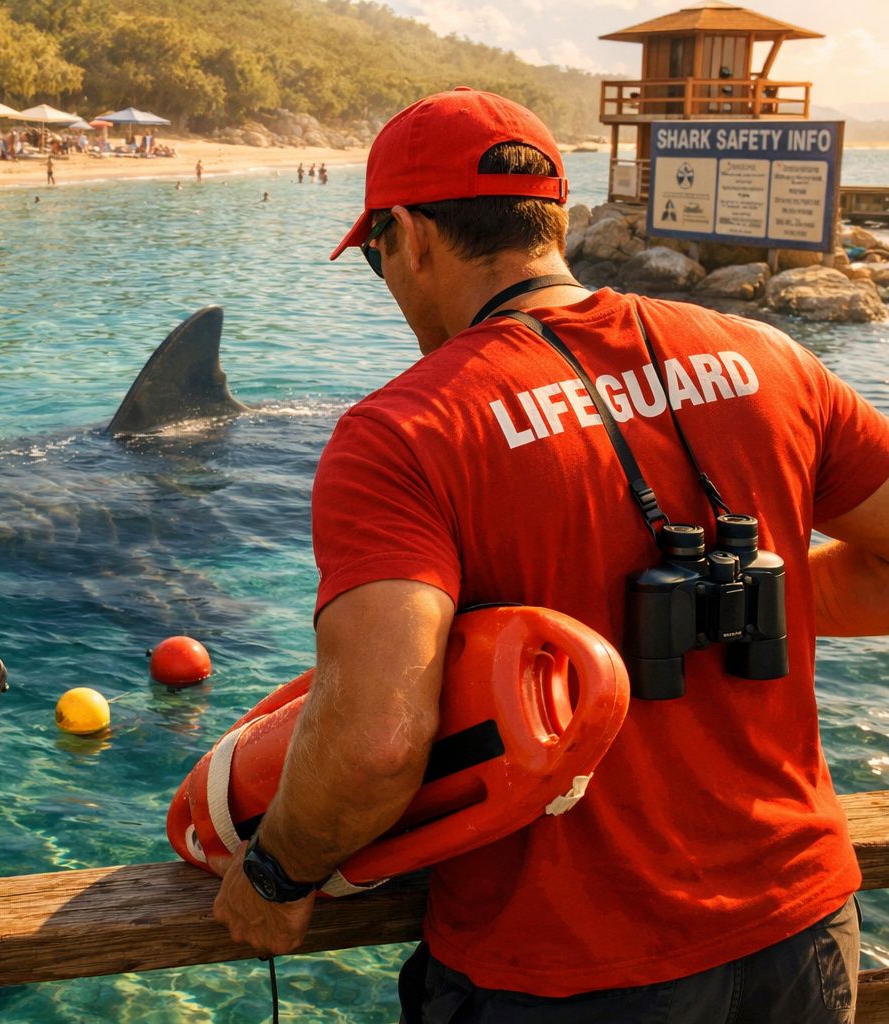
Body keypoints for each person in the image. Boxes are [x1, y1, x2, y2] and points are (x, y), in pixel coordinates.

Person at [209, 86, 889, 1022]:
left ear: (409, 236)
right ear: (553, 221)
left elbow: (373, 744)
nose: (390, 280)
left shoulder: (404, 432)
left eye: (376, 257)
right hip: (804, 931)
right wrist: (770, 599)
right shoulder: (771, 357)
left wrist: (279, 872)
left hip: (565, 972)